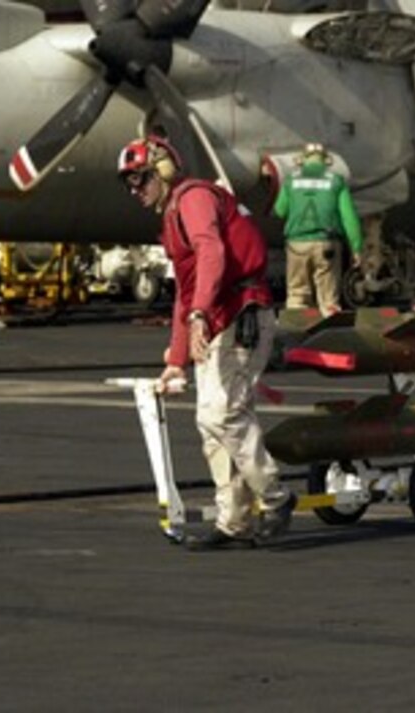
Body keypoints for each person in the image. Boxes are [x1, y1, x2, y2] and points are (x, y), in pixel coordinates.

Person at [117, 134, 296, 549]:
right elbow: (186, 290)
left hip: (242, 315)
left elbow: (212, 251)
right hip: (220, 320)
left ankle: (276, 497)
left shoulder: (193, 199)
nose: (135, 190)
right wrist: (176, 359)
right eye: (129, 183)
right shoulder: (173, 216)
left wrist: (199, 314)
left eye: (141, 179)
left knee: (221, 415)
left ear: (163, 170)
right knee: (212, 424)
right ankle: (235, 523)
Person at [273, 142, 364, 313]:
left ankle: (296, 333)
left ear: (303, 160)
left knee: (297, 295)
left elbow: (279, 210)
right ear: (325, 161)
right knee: (329, 300)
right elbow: (349, 217)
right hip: (326, 245)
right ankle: (329, 332)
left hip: (296, 245)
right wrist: (356, 247)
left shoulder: (291, 181)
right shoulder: (336, 181)